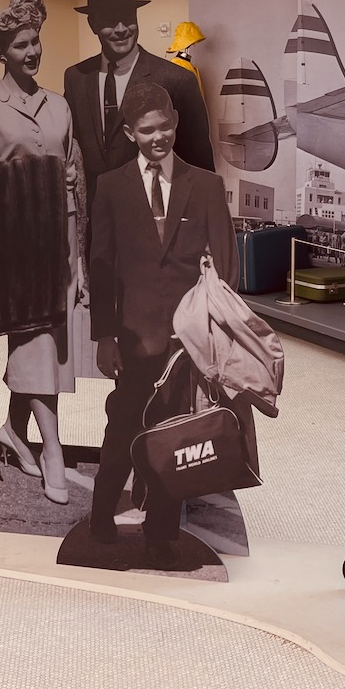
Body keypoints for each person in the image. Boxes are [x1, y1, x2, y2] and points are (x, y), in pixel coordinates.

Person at [87, 82, 237, 551]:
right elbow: (102, 266)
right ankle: (99, 518)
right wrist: (104, 336)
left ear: (176, 123)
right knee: (123, 429)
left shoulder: (206, 186)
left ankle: (162, 532)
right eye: (147, 130)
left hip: (186, 341)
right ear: (131, 133)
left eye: (166, 127)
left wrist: (216, 335)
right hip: (132, 338)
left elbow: (227, 267)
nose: (159, 137)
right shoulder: (111, 187)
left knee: (176, 436)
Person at [0, 0, 82, 505]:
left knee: (51, 345)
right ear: (2, 52)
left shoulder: (60, 106)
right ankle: (51, 450)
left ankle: (14, 429)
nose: (32, 51)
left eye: (36, 41)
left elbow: (77, 177)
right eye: (21, 44)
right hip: (14, 252)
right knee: (37, 345)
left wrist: (81, 250)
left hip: (61, 243)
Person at [64, 0, 214, 197]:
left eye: (128, 18)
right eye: (110, 21)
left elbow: (201, 167)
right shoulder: (77, 78)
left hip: (157, 223)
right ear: (92, 24)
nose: (122, 29)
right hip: (97, 224)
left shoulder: (176, 80)